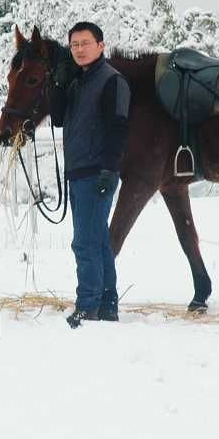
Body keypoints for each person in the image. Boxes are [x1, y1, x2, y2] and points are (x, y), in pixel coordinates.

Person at [50, 22, 130, 329]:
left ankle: (88, 306)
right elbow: (58, 119)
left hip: (97, 171)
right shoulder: (77, 81)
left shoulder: (112, 81)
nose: (79, 50)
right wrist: (57, 85)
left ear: (101, 45)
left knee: (84, 242)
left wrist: (110, 169)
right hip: (79, 170)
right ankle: (107, 305)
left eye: (85, 43)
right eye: (74, 45)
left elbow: (119, 128)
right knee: (97, 241)